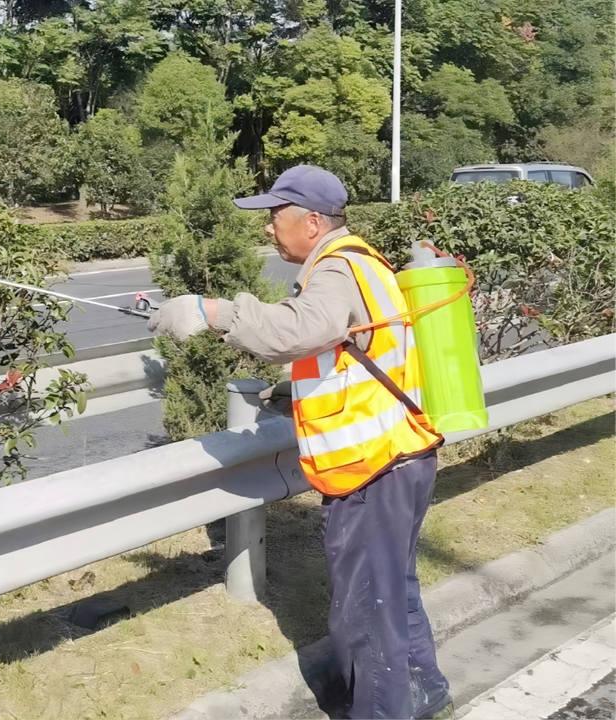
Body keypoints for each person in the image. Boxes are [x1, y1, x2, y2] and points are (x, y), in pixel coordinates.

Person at [147, 165, 453, 720]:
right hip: (403, 455)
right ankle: (423, 690)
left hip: (372, 469)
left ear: (311, 222)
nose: (268, 228)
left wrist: (210, 312)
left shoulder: (336, 269)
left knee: (364, 612)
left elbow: (297, 329)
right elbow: (355, 352)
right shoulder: (364, 263)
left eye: (275, 216)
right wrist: (299, 388)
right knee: (392, 594)